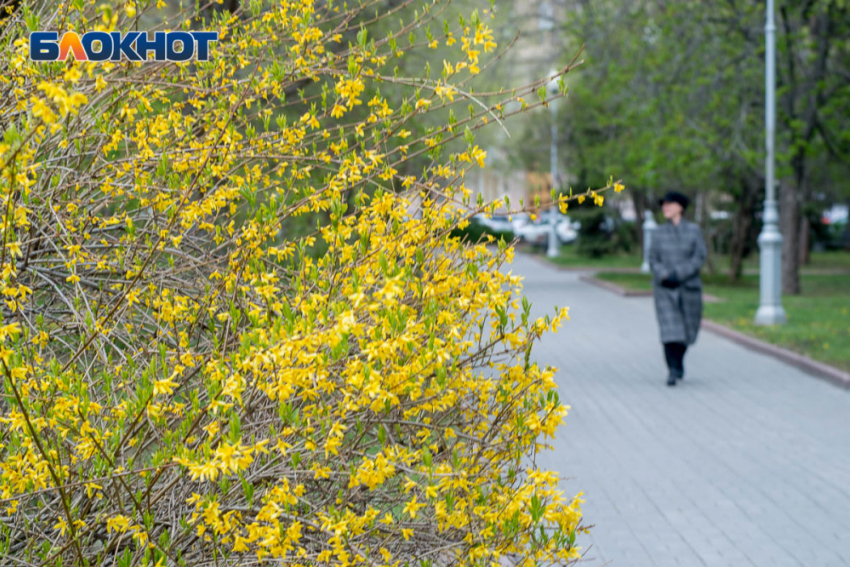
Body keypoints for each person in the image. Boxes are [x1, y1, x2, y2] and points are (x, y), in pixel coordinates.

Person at [649, 191, 707, 386]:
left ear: (680, 207)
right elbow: (653, 259)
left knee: (686, 331)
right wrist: (665, 275)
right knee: (670, 331)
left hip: (688, 288)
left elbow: (698, 257)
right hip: (664, 289)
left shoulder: (693, 231)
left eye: (669, 204)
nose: (665, 207)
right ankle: (672, 370)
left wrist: (679, 274)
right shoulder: (658, 233)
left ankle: (679, 363)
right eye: (663, 204)